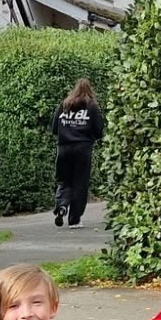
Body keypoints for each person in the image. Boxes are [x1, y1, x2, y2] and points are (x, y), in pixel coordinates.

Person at [50, 79, 103, 228]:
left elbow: (54, 128)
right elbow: (99, 130)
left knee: (64, 180)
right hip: (82, 149)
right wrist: (89, 137)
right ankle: (74, 219)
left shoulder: (64, 105)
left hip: (64, 148)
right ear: (89, 90)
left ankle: (62, 205)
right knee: (80, 183)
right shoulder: (91, 106)